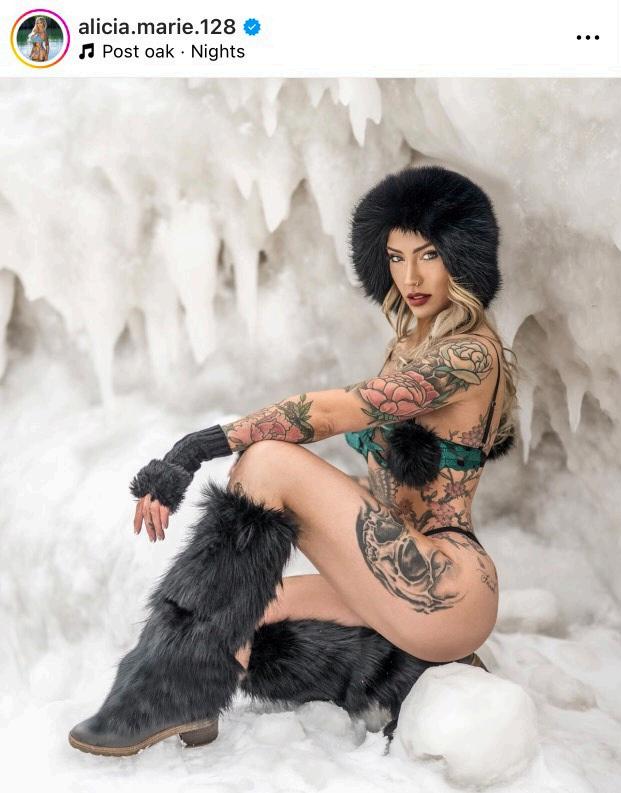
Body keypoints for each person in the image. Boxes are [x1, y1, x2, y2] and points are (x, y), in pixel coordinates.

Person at [68, 164, 518, 757]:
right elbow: (382, 495)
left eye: (428, 255)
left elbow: (333, 412)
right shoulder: (409, 346)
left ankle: (170, 689)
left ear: (462, 256)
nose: (410, 276)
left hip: (450, 586)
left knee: (268, 462)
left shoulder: (470, 356)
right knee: (240, 621)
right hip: (400, 586)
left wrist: (196, 448)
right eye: (395, 257)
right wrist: (315, 507)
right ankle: (416, 672)